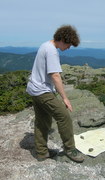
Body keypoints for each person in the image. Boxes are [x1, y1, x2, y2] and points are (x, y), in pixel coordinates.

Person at [26, 25, 84, 163]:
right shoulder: (52, 51)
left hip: (34, 88)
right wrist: (65, 98)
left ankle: (42, 152)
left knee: (42, 121)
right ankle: (70, 148)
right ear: (63, 39)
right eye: (69, 44)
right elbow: (55, 75)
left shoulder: (45, 45)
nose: (69, 48)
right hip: (42, 91)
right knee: (64, 117)